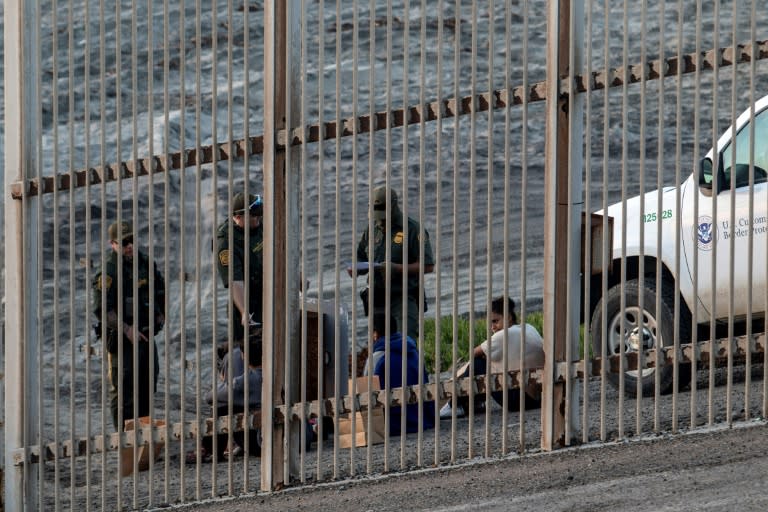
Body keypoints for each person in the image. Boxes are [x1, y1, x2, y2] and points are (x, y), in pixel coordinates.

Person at [92, 221, 165, 431]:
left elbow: (160, 289)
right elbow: (102, 308)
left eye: (132, 240)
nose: (130, 245)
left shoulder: (144, 262)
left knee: (147, 385)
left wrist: (161, 315)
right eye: (124, 242)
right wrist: (126, 329)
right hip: (121, 339)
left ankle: (142, 435)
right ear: (113, 244)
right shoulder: (108, 270)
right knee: (124, 390)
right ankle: (125, 440)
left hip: (145, 334)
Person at [350, 185, 435, 340]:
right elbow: (361, 256)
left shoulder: (413, 229)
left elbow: (428, 265)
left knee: (404, 343)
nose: (380, 220)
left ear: (394, 207)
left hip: (402, 297)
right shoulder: (372, 230)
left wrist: (398, 268)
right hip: (377, 298)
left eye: (383, 215)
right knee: (380, 346)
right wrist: (357, 268)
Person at [439, 296, 545, 419]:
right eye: (490, 323)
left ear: (509, 317)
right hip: (539, 398)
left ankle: (455, 405)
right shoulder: (528, 327)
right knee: (490, 363)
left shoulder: (503, 335)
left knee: (478, 364)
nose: (492, 327)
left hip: (520, 401)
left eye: (495, 321)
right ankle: (472, 402)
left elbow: (473, 353)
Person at [186, 338, 263, 463]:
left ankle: (209, 450)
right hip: (289, 438)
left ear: (244, 357)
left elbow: (209, 397)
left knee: (222, 407)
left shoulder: (242, 382)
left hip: (260, 443)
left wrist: (224, 384)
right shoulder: (276, 374)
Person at [364, 314, 435, 436]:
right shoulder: (413, 351)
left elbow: (365, 392)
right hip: (422, 419)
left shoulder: (377, 358)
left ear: (375, 334)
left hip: (394, 424)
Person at [216, 192, 264, 344]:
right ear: (238, 217)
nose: (258, 217)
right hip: (247, 304)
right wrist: (244, 311)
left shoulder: (259, 225)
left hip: (268, 296)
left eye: (259, 213)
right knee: (251, 352)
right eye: (254, 214)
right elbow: (235, 280)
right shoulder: (226, 241)